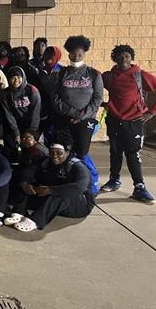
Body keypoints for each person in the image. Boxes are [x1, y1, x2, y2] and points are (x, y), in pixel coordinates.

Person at [5, 130, 94, 232]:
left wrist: (51, 190)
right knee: (25, 185)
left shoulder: (77, 166)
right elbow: (28, 172)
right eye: (52, 153)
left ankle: (35, 221)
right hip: (53, 201)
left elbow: (79, 187)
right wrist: (25, 183)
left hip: (78, 204)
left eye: (59, 153)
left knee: (60, 194)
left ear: (67, 152)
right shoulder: (46, 161)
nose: (55, 156)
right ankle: (19, 212)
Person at [100, 44, 156, 203]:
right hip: (114, 120)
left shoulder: (140, 75)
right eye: (120, 56)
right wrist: (104, 103)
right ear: (114, 59)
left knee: (132, 153)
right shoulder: (109, 76)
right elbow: (94, 85)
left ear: (131, 58)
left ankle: (139, 186)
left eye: (127, 56)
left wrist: (151, 112)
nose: (123, 59)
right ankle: (114, 179)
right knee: (115, 150)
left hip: (134, 121)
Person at [51, 35, 103, 195]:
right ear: (68, 54)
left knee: (81, 151)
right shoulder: (60, 73)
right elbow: (54, 98)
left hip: (85, 120)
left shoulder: (93, 74)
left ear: (84, 54)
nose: (76, 57)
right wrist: (72, 112)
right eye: (73, 54)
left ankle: (91, 179)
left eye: (79, 54)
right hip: (64, 118)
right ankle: (70, 180)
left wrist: (82, 115)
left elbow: (97, 98)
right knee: (65, 150)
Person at [0, 66, 42, 162]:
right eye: (13, 77)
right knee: (12, 144)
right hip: (15, 123)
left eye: (18, 77)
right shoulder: (6, 94)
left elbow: (36, 112)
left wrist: (31, 132)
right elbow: (8, 114)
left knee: (30, 145)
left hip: (31, 123)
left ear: (23, 77)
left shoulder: (32, 90)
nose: (16, 80)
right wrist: (16, 133)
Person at [37, 45, 63, 141]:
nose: (49, 57)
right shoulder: (40, 71)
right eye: (47, 54)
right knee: (46, 132)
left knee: (57, 133)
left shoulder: (62, 71)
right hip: (44, 106)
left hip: (58, 106)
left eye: (52, 54)